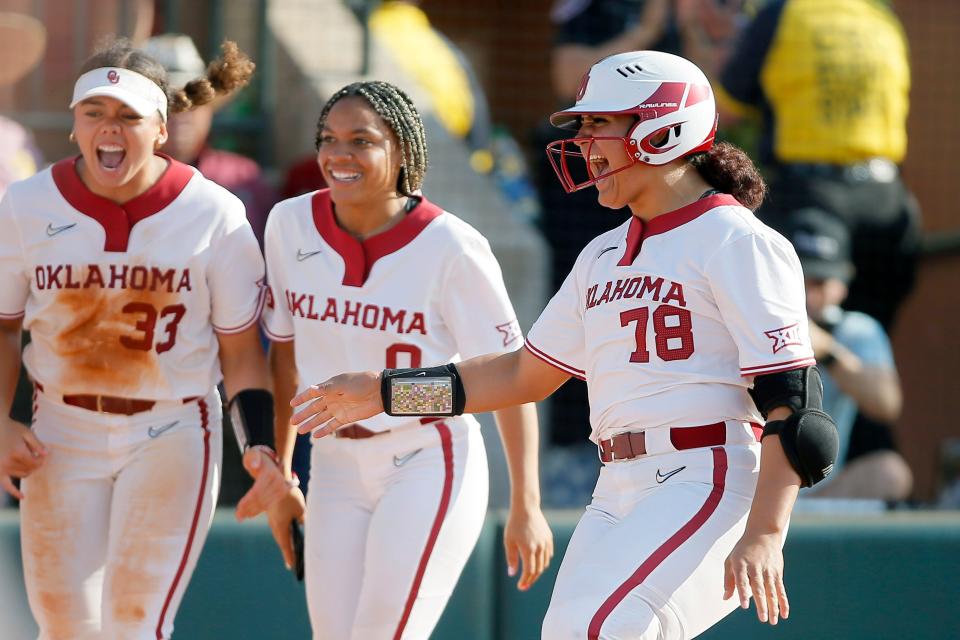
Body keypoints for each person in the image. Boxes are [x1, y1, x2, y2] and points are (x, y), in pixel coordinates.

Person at [290, 51, 841, 639]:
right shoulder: (602, 253)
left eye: (597, 124)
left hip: (706, 474)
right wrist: (385, 392)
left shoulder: (735, 239)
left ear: (664, 127)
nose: (583, 143)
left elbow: (796, 406)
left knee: (597, 630)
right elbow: (520, 376)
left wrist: (764, 534)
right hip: (617, 483)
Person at [0, 38, 289, 639]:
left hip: (172, 429)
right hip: (59, 428)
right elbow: (3, 328)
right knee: (64, 628)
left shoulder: (214, 213)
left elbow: (240, 352)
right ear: (75, 126)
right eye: (96, 113)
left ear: (161, 128)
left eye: (130, 115)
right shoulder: (24, 206)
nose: (111, 128)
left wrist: (259, 443)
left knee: (135, 624)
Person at [262, 80, 553, 639]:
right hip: (333, 465)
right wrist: (280, 473)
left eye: (361, 140)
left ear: (402, 152)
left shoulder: (452, 246)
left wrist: (527, 502)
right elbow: (285, 355)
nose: (338, 154)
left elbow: (512, 377)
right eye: (328, 138)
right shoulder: (289, 224)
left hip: (427, 455)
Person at [712, 0, 921, 331]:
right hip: (888, 199)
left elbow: (727, 104)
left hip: (812, 196)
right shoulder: (883, 18)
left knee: (807, 332)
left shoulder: (782, 14)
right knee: (873, 330)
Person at [781, 209, 911, 500]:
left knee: (890, 473)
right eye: (800, 279)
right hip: (752, 486)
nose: (808, 296)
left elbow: (886, 404)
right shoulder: (751, 319)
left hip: (818, 494)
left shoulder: (854, 329)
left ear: (843, 283)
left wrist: (828, 351)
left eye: (820, 282)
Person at [140, 33, 277, 248]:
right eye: (169, 103)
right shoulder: (114, 181)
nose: (184, 111)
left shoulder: (244, 178)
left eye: (194, 101)